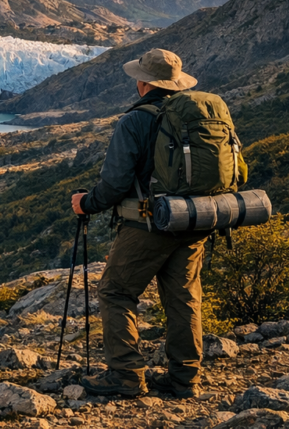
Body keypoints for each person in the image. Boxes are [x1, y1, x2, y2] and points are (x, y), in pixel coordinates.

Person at [70, 48, 209, 399]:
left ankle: (126, 375)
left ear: (143, 83)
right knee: (183, 297)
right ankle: (184, 379)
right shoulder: (195, 117)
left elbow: (116, 183)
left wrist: (86, 204)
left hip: (150, 224)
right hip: (195, 219)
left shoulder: (136, 120)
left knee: (116, 291)